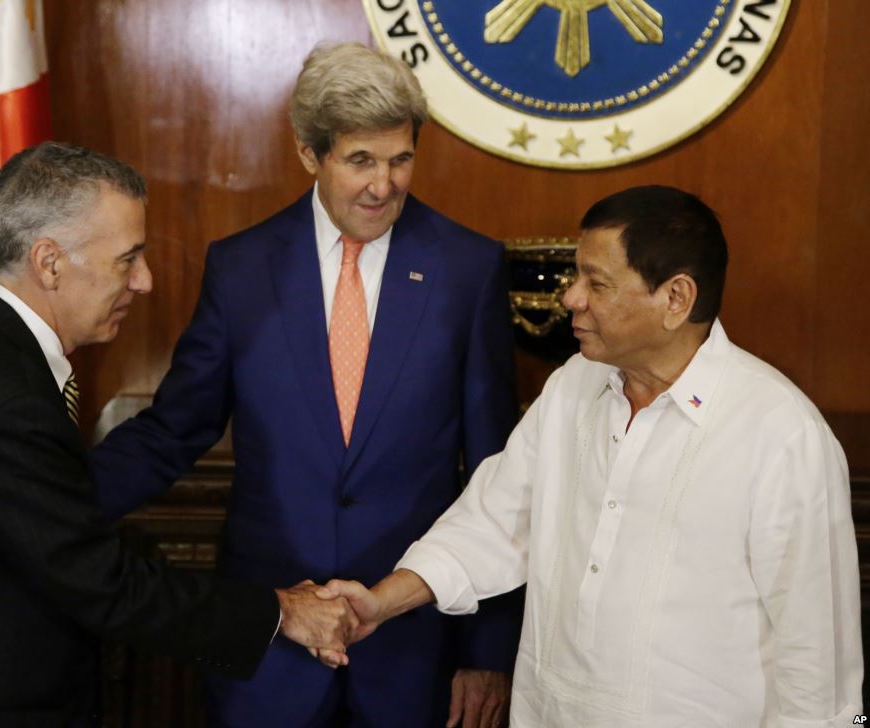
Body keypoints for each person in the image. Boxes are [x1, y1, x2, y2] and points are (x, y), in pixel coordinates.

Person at [317, 185, 864, 726]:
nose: (570, 297)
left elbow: (818, 663)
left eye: (595, 283)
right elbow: (492, 525)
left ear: (676, 298)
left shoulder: (782, 434)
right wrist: (381, 602)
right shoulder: (573, 386)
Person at [91, 43, 522, 727]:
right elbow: (175, 430)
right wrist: (54, 503)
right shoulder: (241, 270)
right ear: (307, 153)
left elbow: (502, 480)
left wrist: (490, 650)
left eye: (401, 158)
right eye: (360, 161)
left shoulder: (466, 269)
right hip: (269, 650)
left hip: (412, 653)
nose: (385, 185)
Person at [0, 141, 358, 727]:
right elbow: (106, 586)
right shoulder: (7, 402)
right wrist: (282, 611)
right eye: (128, 259)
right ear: (49, 263)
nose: (145, 281)